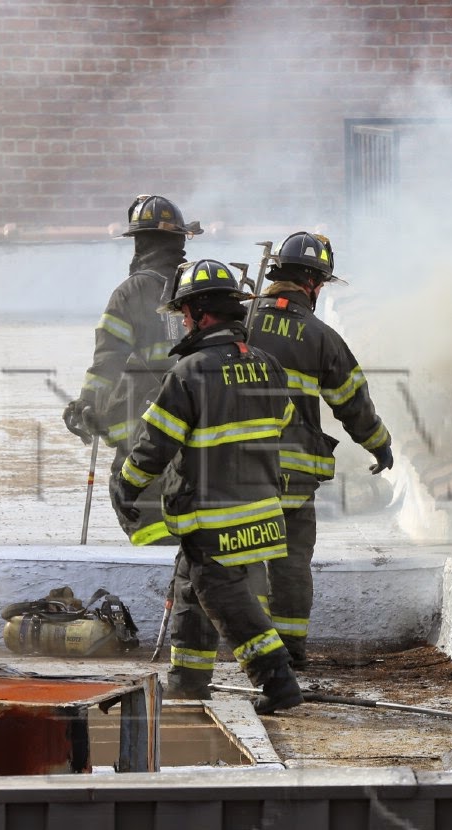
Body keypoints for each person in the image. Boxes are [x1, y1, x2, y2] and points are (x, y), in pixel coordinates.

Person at [110, 258, 302, 714]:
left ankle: (278, 681)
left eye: (183, 314)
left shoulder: (189, 373)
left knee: (224, 597)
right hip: (259, 511)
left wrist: (126, 487)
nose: (181, 323)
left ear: (200, 313)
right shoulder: (268, 364)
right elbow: (284, 421)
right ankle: (188, 681)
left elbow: (155, 444)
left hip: (213, 516)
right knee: (190, 589)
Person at [246, 231, 393, 669]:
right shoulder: (320, 336)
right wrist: (379, 444)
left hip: (236, 469)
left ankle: (252, 648)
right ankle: (290, 653)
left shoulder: (239, 323)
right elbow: (352, 401)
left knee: (244, 557)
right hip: (293, 476)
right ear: (312, 283)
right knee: (290, 563)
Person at [64, 194, 203, 545]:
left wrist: (87, 402)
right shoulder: (203, 286)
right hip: (207, 416)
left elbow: (108, 359)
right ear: (179, 240)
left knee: (133, 491)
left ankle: (159, 558)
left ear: (140, 242)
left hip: (149, 420)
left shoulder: (131, 292)